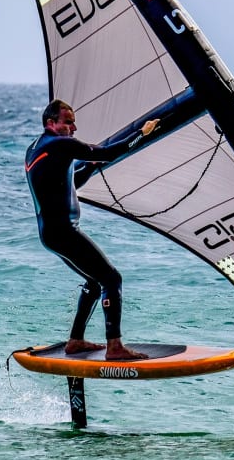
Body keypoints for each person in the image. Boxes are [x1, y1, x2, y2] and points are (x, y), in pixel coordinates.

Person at [25, 99, 159, 360]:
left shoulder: (37, 148)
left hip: (50, 234)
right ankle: (115, 346)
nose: (73, 127)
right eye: (68, 122)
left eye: (74, 121)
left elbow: (71, 181)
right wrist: (142, 134)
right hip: (64, 232)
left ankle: (75, 341)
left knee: (94, 283)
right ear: (50, 123)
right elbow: (108, 152)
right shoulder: (61, 144)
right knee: (111, 279)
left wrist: (91, 166)